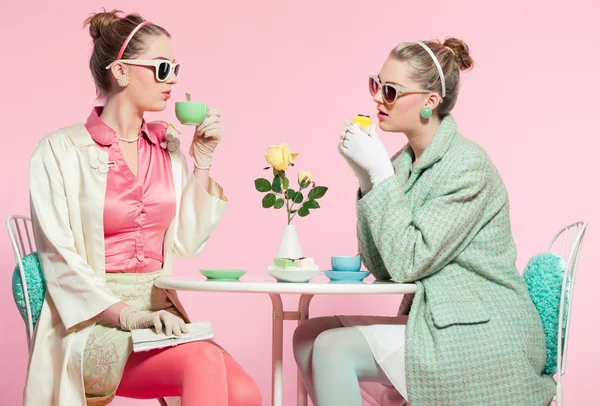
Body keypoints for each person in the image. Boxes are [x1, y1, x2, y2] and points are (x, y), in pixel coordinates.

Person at [293, 38, 555, 405]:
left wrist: (380, 176)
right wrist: (369, 183)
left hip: (483, 330)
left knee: (333, 348)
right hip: (440, 317)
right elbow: (382, 266)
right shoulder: (403, 163)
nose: (377, 99)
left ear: (430, 102)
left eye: (390, 91)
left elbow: (408, 263)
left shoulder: (467, 166)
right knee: (307, 335)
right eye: (375, 84)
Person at [24, 10, 261, 406]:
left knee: (245, 393)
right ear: (120, 71)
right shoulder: (59, 151)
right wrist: (129, 316)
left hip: (161, 319)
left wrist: (201, 160)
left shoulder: (167, 149)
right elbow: (60, 260)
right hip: (90, 323)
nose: (172, 80)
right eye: (162, 68)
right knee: (202, 361)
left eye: (176, 68)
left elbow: (186, 242)